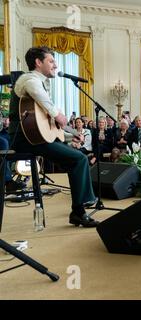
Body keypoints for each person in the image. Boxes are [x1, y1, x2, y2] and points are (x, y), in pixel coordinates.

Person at [9, 46, 98, 227]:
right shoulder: (29, 79)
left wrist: (67, 136)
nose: (55, 65)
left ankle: (78, 210)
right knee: (79, 159)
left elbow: (44, 126)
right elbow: (42, 100)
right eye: (51, 61)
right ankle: (81, 209)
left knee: (74, 159)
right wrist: (57, 114)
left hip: (35, 138)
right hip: (25, 140)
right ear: (38, 62)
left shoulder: (39, 82)